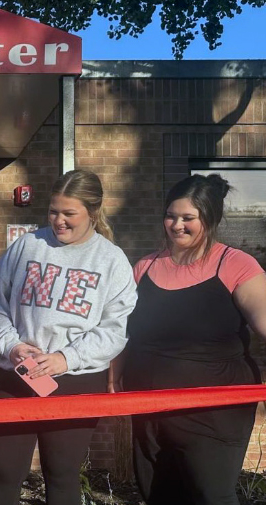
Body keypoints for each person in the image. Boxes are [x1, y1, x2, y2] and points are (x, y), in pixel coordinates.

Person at [0, 170, 137, 505]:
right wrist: (12, 345)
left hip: (77, 380)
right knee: (5, 472)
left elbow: (115, 329)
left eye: (69, 213)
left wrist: (66, 358)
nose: (59, 221)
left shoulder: (112, 260)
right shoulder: (27, 246)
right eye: (53, 211)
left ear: (93, 212)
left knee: (62, 474)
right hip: (17, 374)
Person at [119, 174, 266, 505]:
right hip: (149, 407)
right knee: (159, 494)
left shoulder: (236, 264)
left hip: (213, 412)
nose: (177, 225)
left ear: (209, 219)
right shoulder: (145, 267)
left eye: (188, 218)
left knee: (210, 495)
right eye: (171, 216)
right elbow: (121, 331)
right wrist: (114, 377)